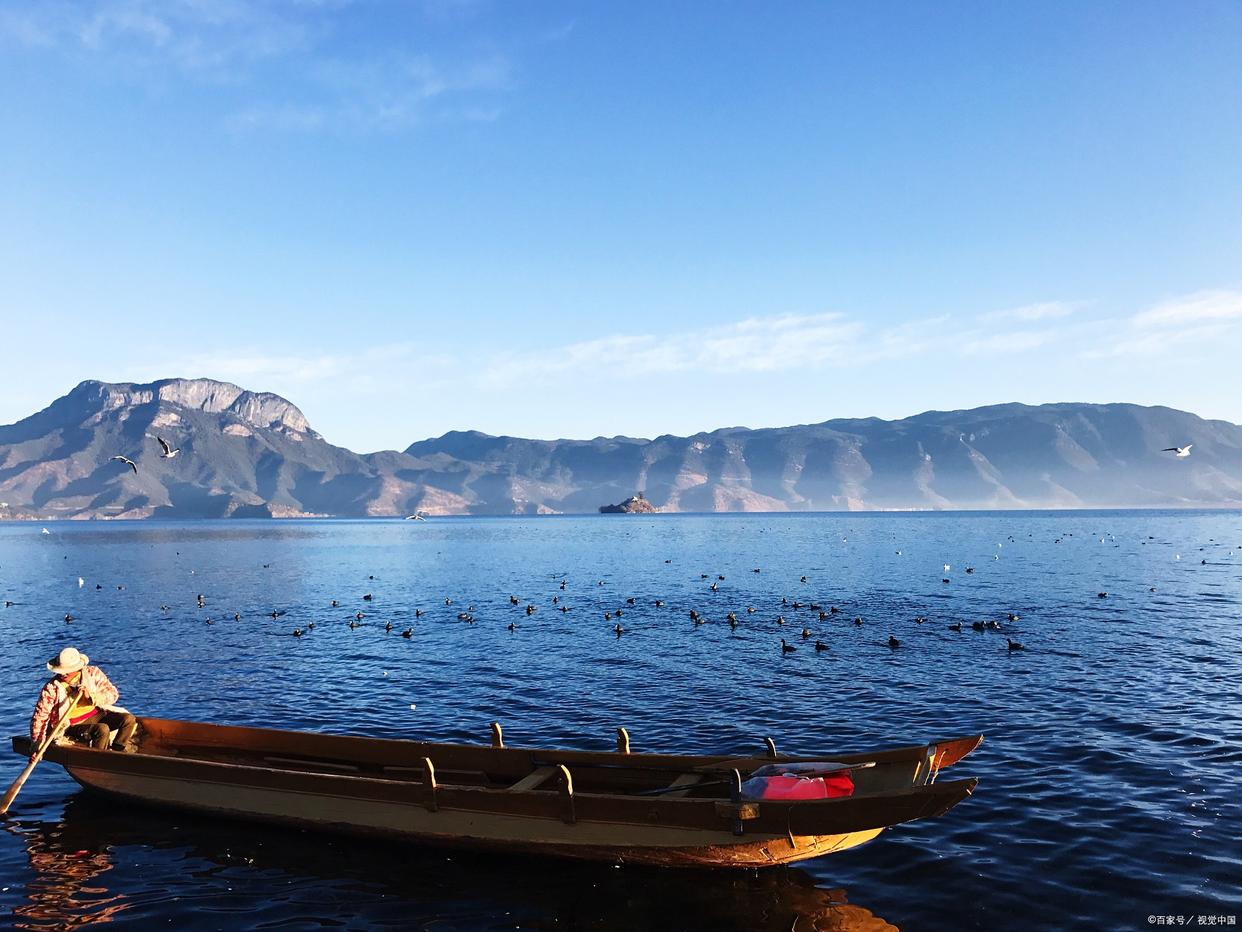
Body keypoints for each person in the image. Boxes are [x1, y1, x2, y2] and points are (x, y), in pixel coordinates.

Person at [29, 647, 137, 755]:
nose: (63, 674)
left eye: (67, 671)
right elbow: (40, 717)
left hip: (96, 715)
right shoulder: (52, 688)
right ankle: (98, 760)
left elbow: (113, 694)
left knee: (128, 719)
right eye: (61, 671)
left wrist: (92, 697)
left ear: (77, 668)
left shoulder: (92, 673)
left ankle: (117, 751)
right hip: (71, 725)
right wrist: (37, 744)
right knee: (102, 730)